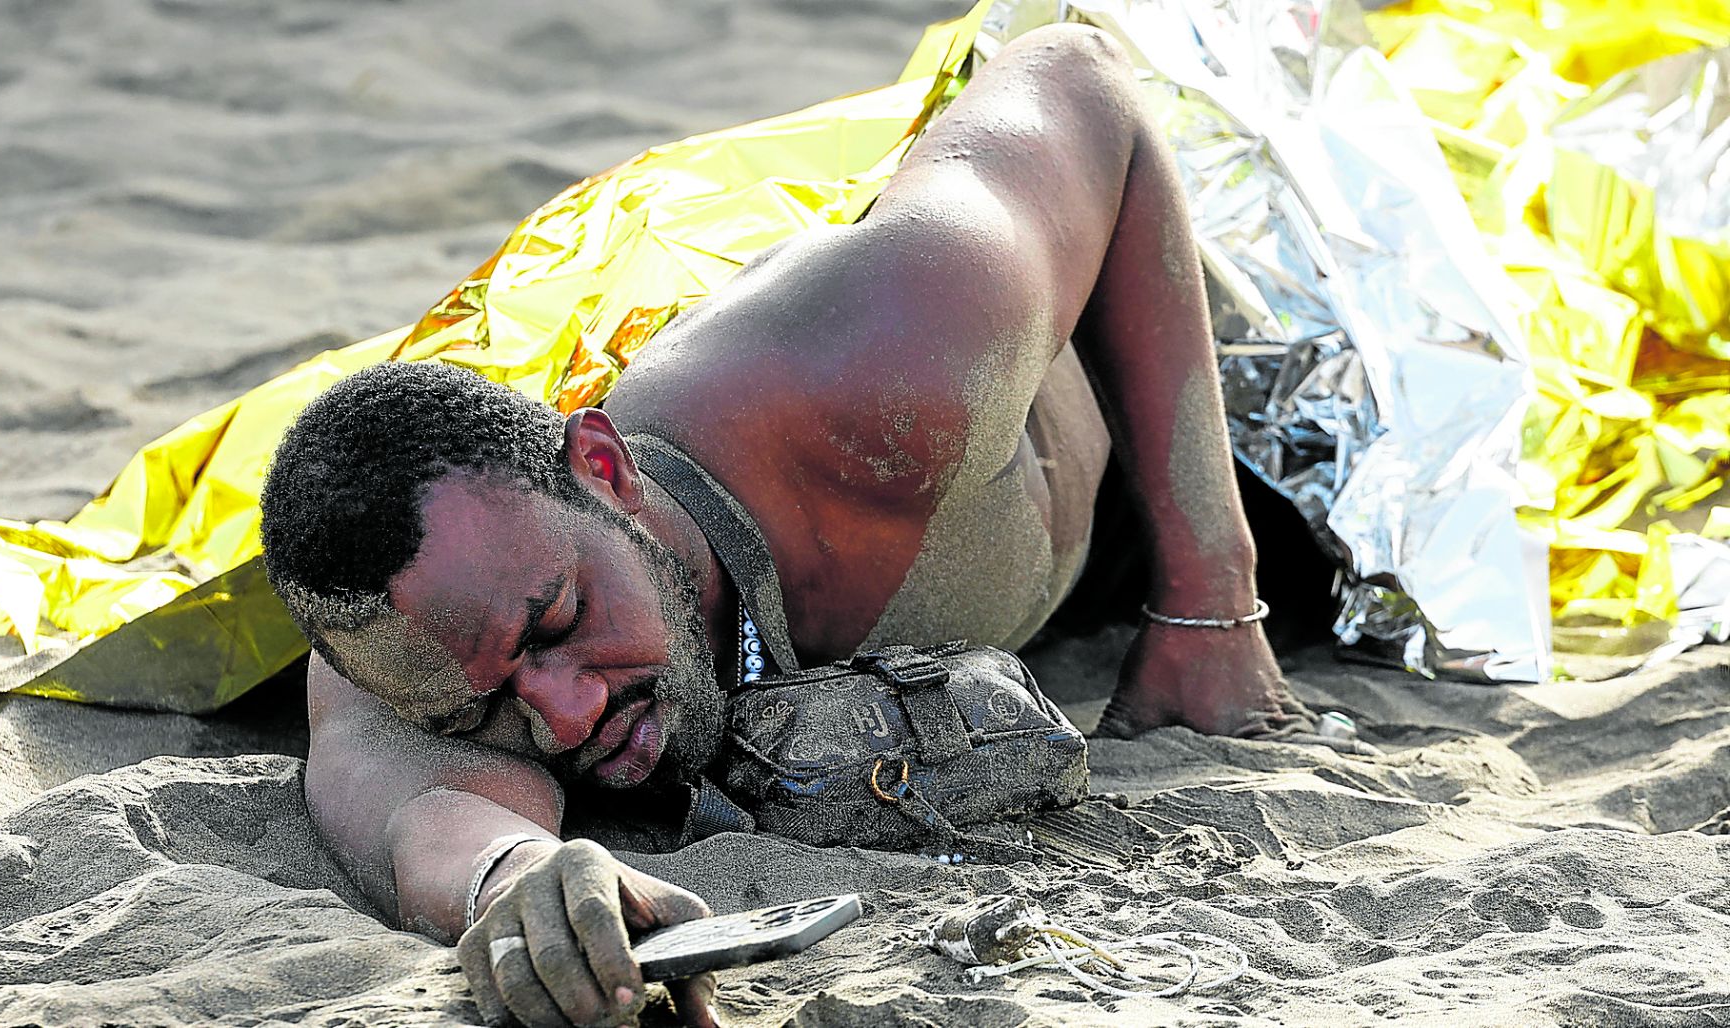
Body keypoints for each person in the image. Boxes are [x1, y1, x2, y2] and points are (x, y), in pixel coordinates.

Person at [259, 24, 1361, 1028]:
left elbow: (1085, 81)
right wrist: (519, 879)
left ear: (605, 470)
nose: (564, 713)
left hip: (1191, 358)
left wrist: (1211, 602)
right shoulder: (405, 646)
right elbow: (425, 820)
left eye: (558, 621)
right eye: (483, 706)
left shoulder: (882, 359)